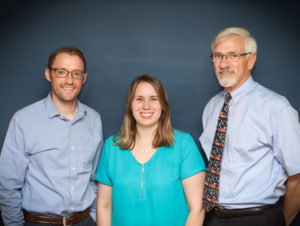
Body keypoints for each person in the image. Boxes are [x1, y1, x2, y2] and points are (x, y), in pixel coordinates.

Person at [200, 27, 300, 226]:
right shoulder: (212, 107)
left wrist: (282, 221)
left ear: (251, 60)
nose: (223, 63)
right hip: (213, 218)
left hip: (259, 218)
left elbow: (298, 175)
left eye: (232, 55)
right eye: (218, 55)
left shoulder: (276, 108)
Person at [0, 46, 103, 226]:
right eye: (62, 72)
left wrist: (93, 217)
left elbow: (95, 177)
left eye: (76, 73)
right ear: (49, 74)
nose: (69, 80)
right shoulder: (23, 120)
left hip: (85, 221)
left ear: (84, 78)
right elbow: (7, 185)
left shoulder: (94, 120)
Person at [95, 74, 206, 226]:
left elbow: (197, 209)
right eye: (139, 99)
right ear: (130, 105)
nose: (146, 106)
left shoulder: (183, 144)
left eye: (154, 99)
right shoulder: (111, 147)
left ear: (163, 105)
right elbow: (104, 207)